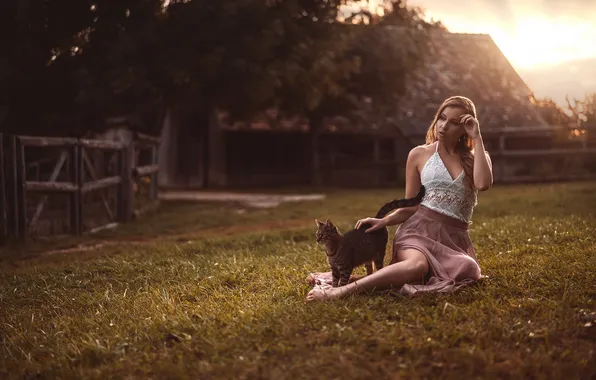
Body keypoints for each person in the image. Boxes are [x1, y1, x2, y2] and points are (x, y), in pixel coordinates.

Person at [306, 95, 493, 302]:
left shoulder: (478, 158)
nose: (444, 126)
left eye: (454, 123)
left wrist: (477, 136)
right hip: (417, 232)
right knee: (417, 266)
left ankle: (372, 279)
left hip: (453, 239)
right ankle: (338, 292)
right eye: (442, 117)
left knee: (470, 268)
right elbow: (411, 206)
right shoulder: (418, 154)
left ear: (464, 128)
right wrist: (384, 220)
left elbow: (483, 184)